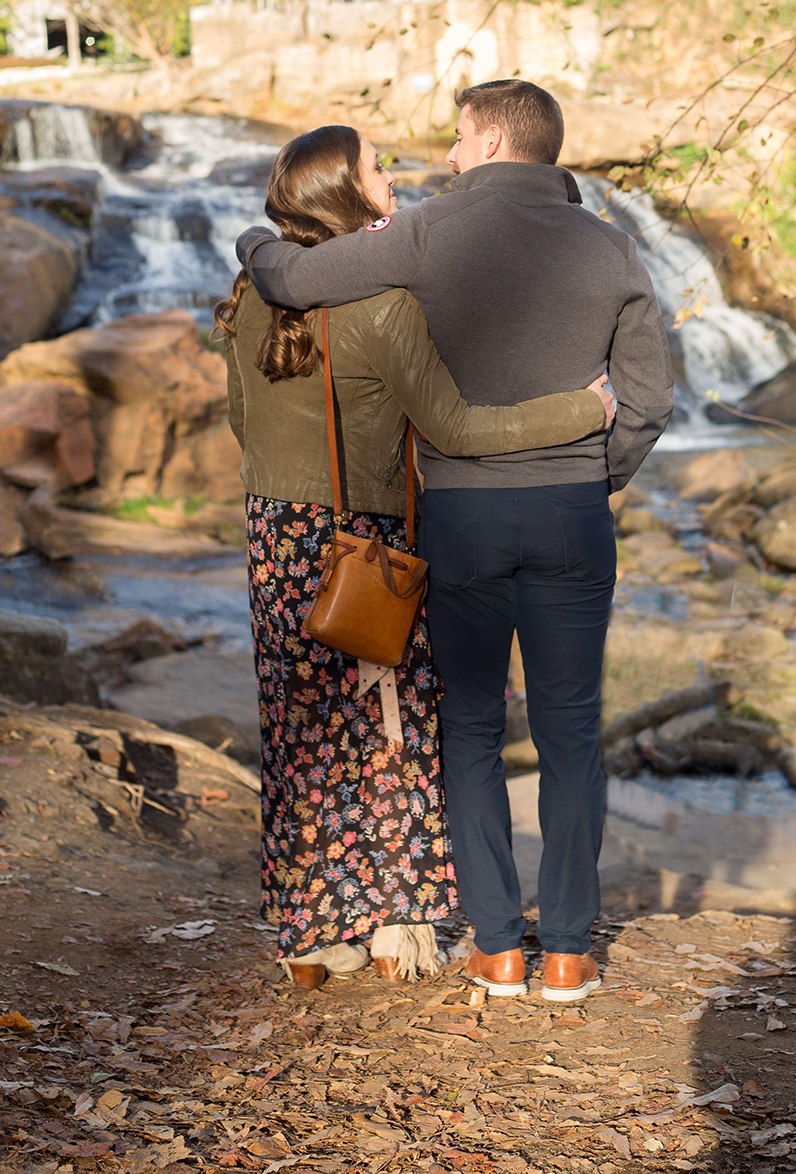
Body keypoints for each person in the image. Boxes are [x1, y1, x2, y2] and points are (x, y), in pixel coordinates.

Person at [237, 79, 673, 1003]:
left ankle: (496, 950)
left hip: (463, 518)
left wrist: (253, 242)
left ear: (484, 141)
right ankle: (564, 952)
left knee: (470, 729)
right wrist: (597, 477)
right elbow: (651, 401)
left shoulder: (425, 234)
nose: (445, 156)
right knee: (570, 732)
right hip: (570, 516)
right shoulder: (613, 245)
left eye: (456, 139)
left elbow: (288, 278)